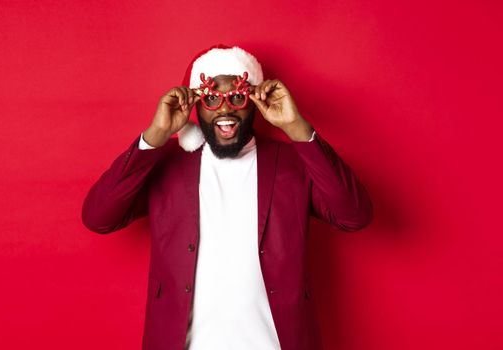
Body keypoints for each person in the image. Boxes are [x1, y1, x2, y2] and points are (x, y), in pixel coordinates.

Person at [82, 44, 373, 350]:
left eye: (237, 96)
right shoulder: (167, 165)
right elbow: (99, 217)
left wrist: (295, 126)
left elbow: (355, 215)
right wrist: (156, 134)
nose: (224, 109)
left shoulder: (292, 164)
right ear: (196, 103)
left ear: (255, 101)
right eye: (211, 98)